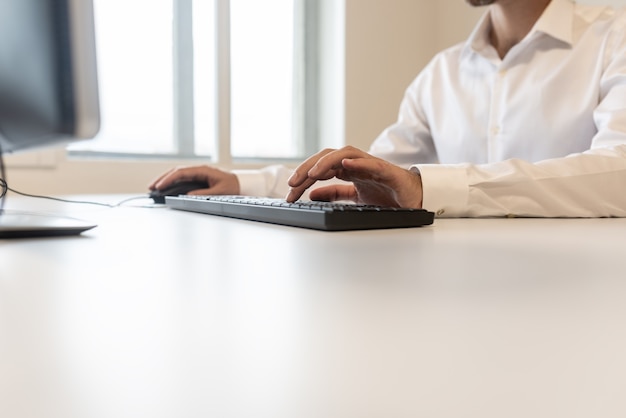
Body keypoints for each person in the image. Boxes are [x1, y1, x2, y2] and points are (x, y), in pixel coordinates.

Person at [150, 0, 626, 218]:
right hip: (459, 300)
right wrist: (245, 183)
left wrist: (426, 187)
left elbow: (618, 174)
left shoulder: (614, 37)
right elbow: (371, 173)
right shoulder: (442, 72)